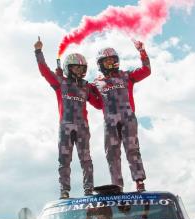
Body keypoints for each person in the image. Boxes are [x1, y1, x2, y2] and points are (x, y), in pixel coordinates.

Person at [34, 37, 100, 199]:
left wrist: (101, 87)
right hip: (65, 127)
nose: (79, 71)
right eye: (76, 68)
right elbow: (44, 71)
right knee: (64, 160)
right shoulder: (60, 82)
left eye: (81, 68)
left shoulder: (86, 86)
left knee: (86, 159)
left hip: (83, 128)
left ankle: (89, 189)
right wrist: (38, 52)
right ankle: (64, 190)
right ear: (68, 68)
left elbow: (98, 104)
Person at [92, 40, 151, 192]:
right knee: (112, 153)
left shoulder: (127, 75)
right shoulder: (97, 83)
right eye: (106, 60)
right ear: (100, 64)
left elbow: (146, 70)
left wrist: (142, 52)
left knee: (132, 149)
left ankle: (139, 181)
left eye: (112, 59)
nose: (110, 62)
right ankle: (117, 185)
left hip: (128, 117)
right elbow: (98, 104)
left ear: (117, 61)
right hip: (109, 121)